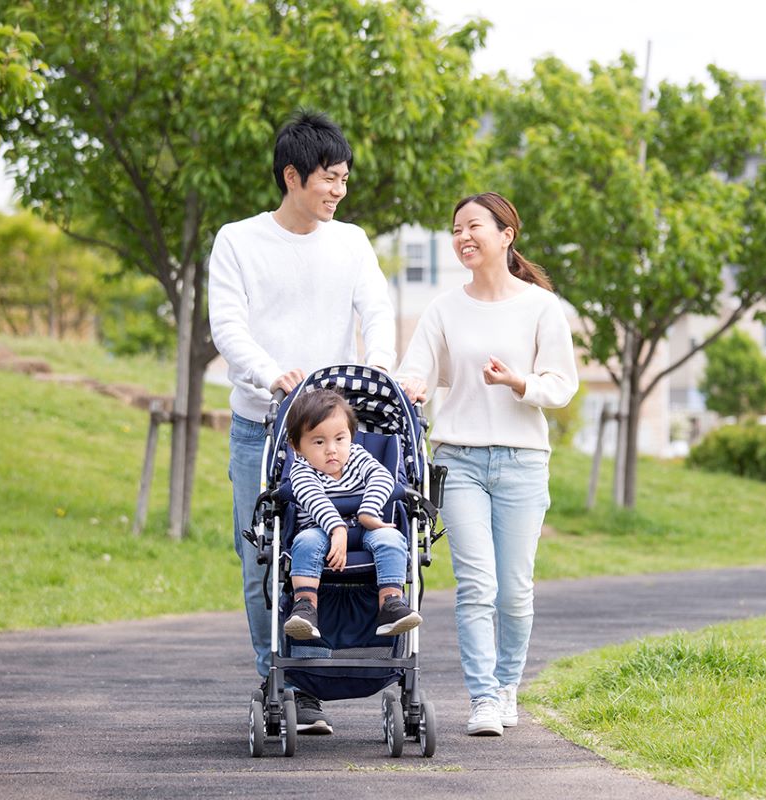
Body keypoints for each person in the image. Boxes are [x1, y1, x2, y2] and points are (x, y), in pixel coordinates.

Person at [208, 111, 395, 735]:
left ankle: (319, 682)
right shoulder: (238, 241)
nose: (339, 190)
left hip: (335, 435)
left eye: (344, 178)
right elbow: (228, 327)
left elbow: (378, 311)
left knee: (344, 551)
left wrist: (382, 371)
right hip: (261, 427)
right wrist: (273, 373)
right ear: (293, 176)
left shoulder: (352, 242)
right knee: (263, 554)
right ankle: (281, 679)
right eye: (329, 178)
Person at [397, 192, 579, 736]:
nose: (462, 237)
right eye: (455, 230)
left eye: (473, 226)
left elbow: (562, 385)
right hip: (460, 460)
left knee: (515, 588)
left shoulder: (542, 307)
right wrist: (413, 385)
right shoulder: (443, 308)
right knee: (477, 585)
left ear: (506, 234)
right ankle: (481, 699)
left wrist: (518, 382)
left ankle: (506, 688)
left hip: (523, 461)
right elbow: (417, 371)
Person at [282, 388, 422, 639]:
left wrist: (368, 512)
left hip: (367, 527)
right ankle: (305, 606)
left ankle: (391, 603)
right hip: (320, 530)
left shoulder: (358, 457)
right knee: (304, 542)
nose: (331, 450)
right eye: (319, 441)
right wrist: (337, 528)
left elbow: (383, 478)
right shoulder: (302, 471)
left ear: (351, 437)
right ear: (297, 447)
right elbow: (314, 500)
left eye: (340, 439)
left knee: (392, 539)